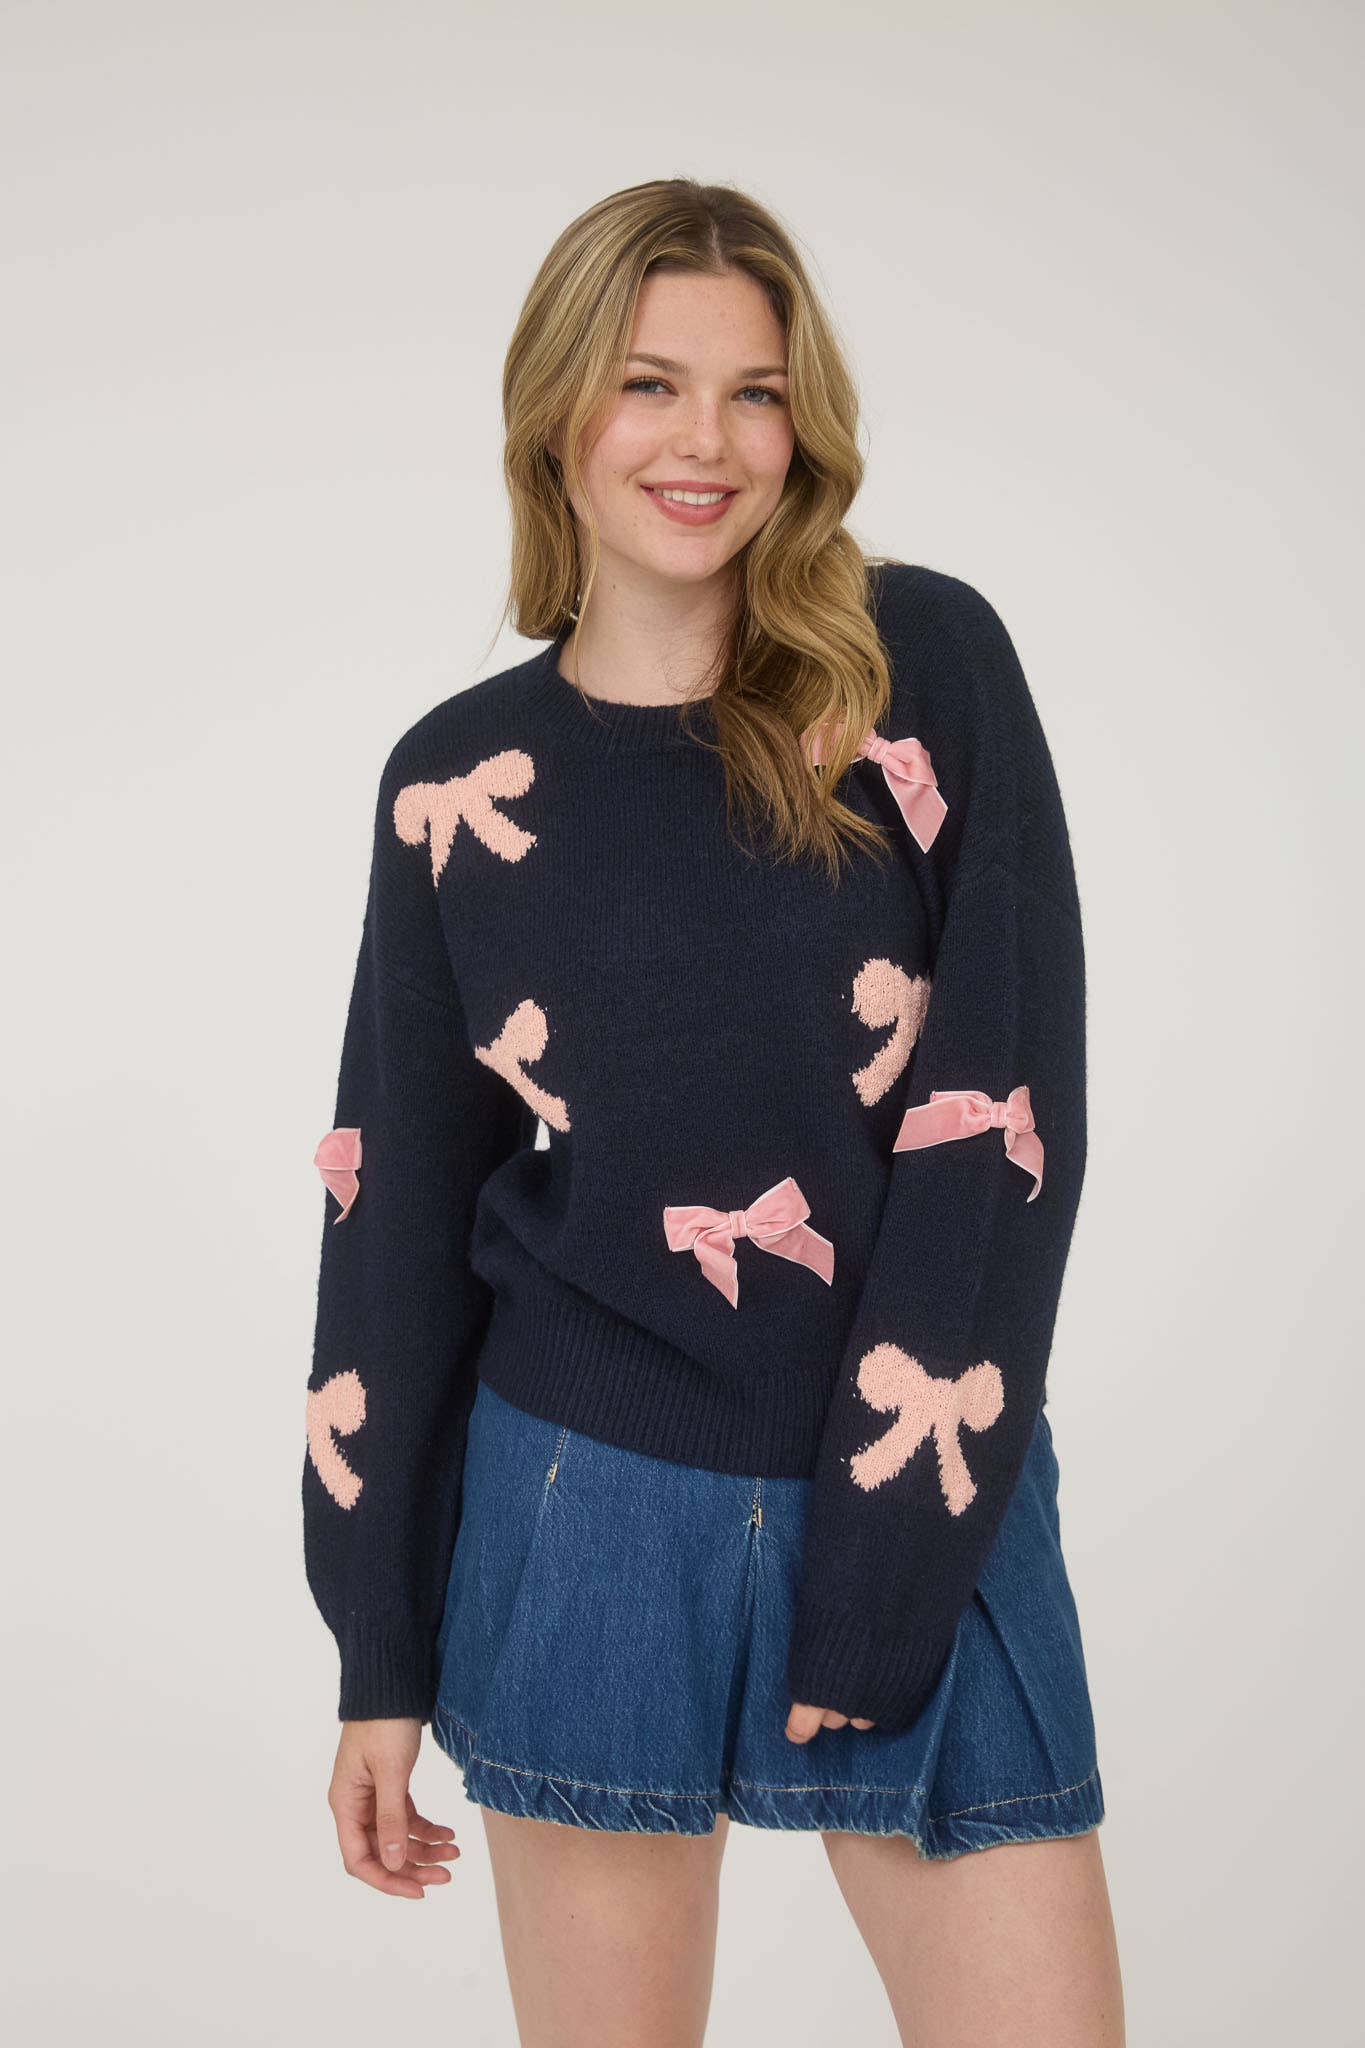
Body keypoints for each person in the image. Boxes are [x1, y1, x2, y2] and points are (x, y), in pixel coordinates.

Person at [302, 177, 1125, 2045]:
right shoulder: (453, 780)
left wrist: (884, 1570)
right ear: (554, 415)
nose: (705, 442)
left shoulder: (919, 670)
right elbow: (393, 1207)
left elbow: (1000, 1113)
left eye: (754, 393)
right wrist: (377, 1647)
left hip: (920, 1476)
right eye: (648, 384)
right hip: (579, 1496)